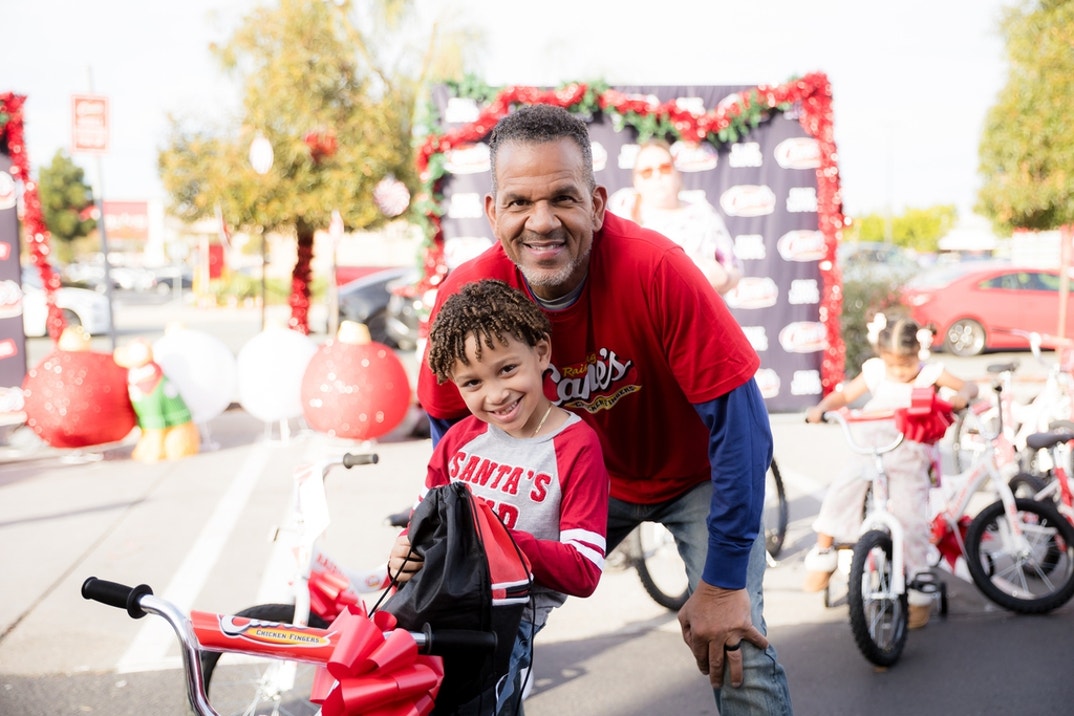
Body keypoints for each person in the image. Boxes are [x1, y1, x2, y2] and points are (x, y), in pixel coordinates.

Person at [415, 103, 793, 715]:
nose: (541, 222)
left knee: (736, 646)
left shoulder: (657, 269)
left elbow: (741, 426)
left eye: (563, 197)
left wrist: (722, 583)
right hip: (571, 477)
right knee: (467, 630)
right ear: (492, 212)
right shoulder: (469, 295)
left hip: (694, 478)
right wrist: (455, 536)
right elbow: (450, 425)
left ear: (596, 203)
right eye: (518, 203)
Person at [389, 279, 609, 715]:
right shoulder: (457, 441)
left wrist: (493, 540)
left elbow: (584, 570)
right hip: (435, 614)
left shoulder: (576, 446)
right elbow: (423, 524)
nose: (495, 394)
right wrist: (403, 554)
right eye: (472, 382)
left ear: (541, 352)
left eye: (507, 369)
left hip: (507, 628)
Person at [802, 314, 979, 628]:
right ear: (882, 357)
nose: (898, 371)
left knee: (912, 519)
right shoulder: (875, 371)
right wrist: (822, 408)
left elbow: (968, 384)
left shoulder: (930, 374)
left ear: (917, 355)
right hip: (870, 451)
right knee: (842, 491)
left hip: (910, 456)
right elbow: (844, 396)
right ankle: (824, 552)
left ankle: (918, 588)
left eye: (905, 364)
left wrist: (962, 396)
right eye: (892, 364)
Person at [607, 138, 741, 295]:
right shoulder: (623, 218)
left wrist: (723, 278)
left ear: (677, 174)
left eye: (664, 168)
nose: (657, 176)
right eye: (647, 172)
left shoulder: (702, 212)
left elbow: (735, 270)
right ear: (636, 181)